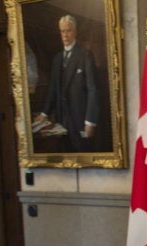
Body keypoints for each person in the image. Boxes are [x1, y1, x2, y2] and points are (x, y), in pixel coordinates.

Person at [34, 14, 99, 152]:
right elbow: (52, 89)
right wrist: (44, 114)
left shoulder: (84, 55)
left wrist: (90, 121)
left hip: (80, 118)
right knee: (65, 155)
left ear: (74, 32)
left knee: (83, 155)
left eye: (68, 30)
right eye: (62, 31)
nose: (65, 35)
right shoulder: (57, 59)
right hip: (61, 119)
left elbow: (93, 90)